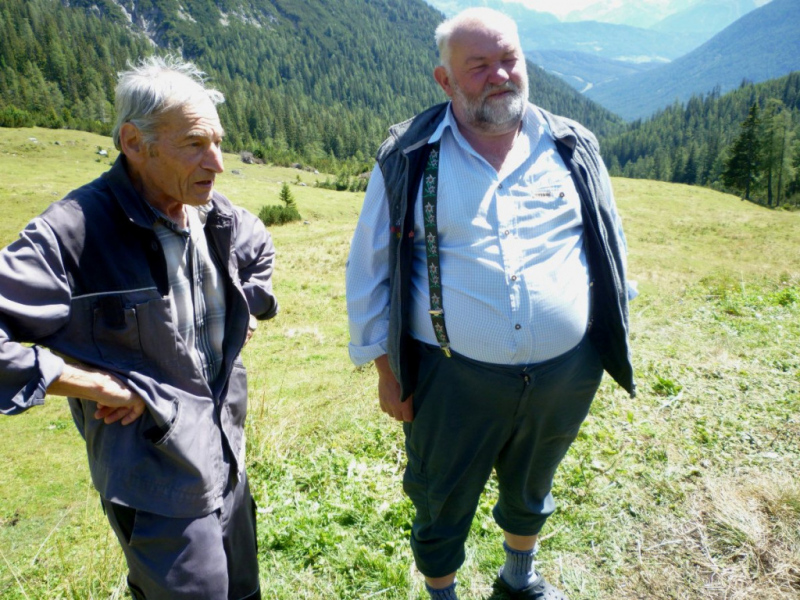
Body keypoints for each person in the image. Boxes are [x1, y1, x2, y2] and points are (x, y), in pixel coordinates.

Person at [346, 8, 635, 600]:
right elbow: (369, 268)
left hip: (565, 371)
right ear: (445, 80)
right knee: (440, 494)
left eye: (509, 59)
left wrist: (612, 326)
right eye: (479, 65)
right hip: (450, 378)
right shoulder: (410, 153)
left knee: (534, 479)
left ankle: (518, 578)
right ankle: (443, 593)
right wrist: (385, 369)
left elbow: (610, 239)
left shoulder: (571, 143)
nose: (500, 75)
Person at [0, 56, 277, 600]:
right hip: (154, 478)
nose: (217, 163)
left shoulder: (216, 217)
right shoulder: (72, 234)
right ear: (134, 142)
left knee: (244, 591)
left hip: (227, 455)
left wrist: (243, 312)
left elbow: (260, 251)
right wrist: (94, 384)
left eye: (218, 142)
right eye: (195, 144)